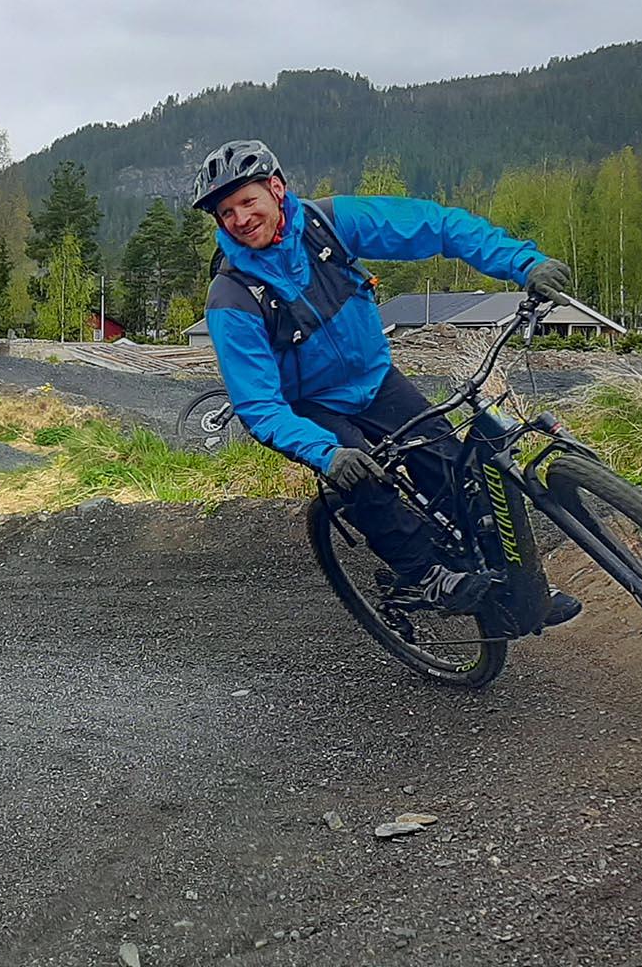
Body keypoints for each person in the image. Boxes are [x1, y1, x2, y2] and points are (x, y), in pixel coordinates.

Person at [194, 139, 580, 626]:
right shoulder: (231, 297)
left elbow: (435, 226)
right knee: (366, 480)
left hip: (376, 380)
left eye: (247, 201)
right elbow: (258, 406)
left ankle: (520, 592)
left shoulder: (329, 224)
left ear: (276, 188)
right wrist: (326, 453)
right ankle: (425, 572)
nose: (240, 218)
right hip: (311, 407)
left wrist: (523, 263)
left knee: (453, 473)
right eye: (226, 212)